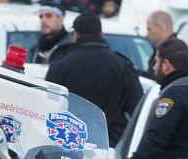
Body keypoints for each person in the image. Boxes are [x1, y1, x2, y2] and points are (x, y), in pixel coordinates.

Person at [46, 12, 142, 145]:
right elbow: (137, 108)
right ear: (101, 34)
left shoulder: (60, 64)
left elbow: (48, 105)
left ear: (76, 35)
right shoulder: (122, 65)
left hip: (68, 140)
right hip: (110, 142)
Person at [144, 9, 174, 78]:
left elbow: (158, 79)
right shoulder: (163, 47)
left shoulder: (172, 50)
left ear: (159, 27)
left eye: (149, 29)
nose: (147, 34)